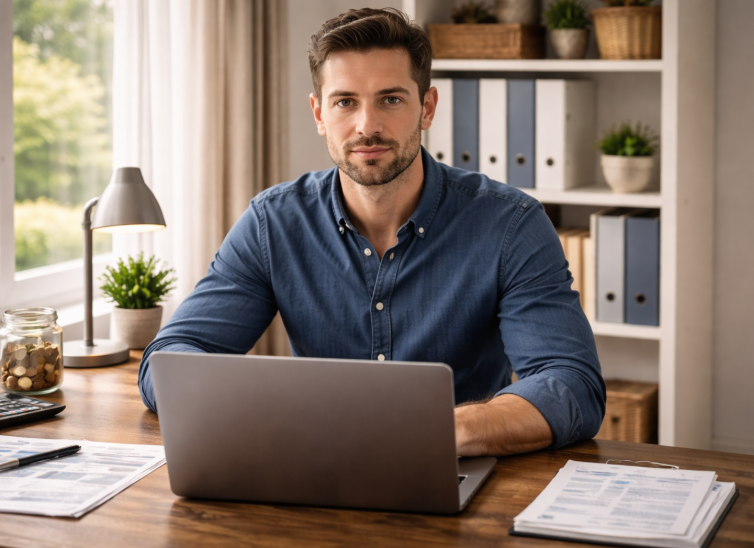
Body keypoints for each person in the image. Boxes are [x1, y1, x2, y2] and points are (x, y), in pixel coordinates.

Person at [138, 7, 605, 457]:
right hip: (312, 466)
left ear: (427, 107)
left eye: (391, 99)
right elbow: (169, 360)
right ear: (320, 114)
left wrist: (438, 430)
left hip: (458, 468)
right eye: (345, 102)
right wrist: (270, 416)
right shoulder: (272, 222)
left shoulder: (511, 224)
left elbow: (571, 385)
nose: (367, 126)